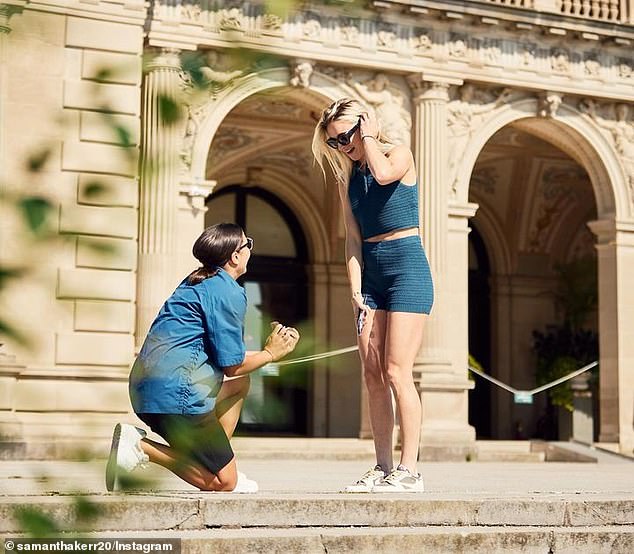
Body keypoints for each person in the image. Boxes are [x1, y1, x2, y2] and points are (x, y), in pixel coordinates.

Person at [106, 223, 300, 493]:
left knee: (240, 385)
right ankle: (141, 447)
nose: (250, 251)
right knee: (225, 482)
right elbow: (233, 366)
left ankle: (220, 461)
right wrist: (270, 353)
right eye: (248, 244)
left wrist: (272, 353)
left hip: (147, 390)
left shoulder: (196, 281)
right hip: (176, 396)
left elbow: (229, 363)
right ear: (235, 256)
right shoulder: (228, 291)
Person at [311, 98, 433, 492]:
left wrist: (368, 136)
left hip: (407, 268)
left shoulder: (398, 154)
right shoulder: (347, 178)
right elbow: (352, 239)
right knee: (372, 372)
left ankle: (409, 469)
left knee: (398, 370)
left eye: (346, 135)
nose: (343, 145)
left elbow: (382, 176)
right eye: (334, 142)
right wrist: (356, 291)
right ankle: (382, 468)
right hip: (372, 276)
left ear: (365, 124)